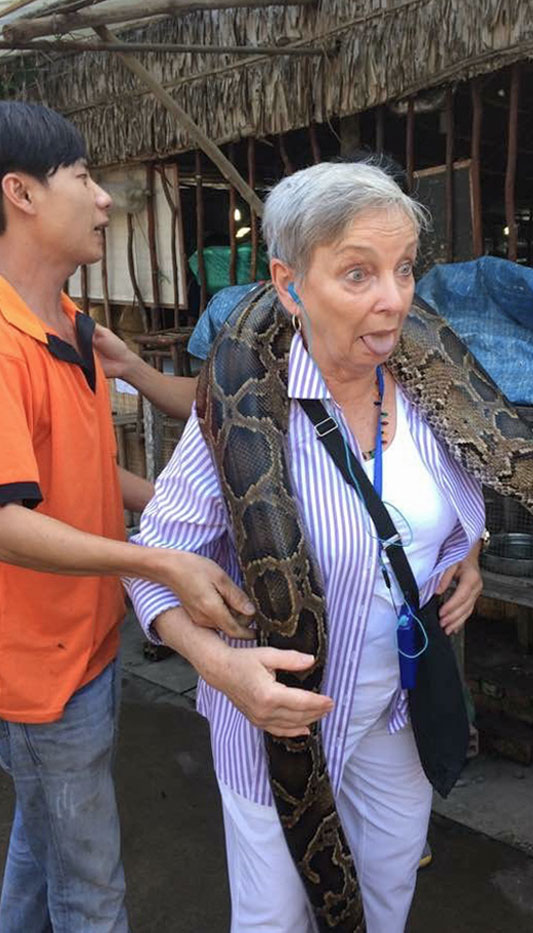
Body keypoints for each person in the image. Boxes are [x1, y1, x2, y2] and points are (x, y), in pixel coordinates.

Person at [126, 160, 485, 932]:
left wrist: (470, 555)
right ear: (290, 286)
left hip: (400, 712)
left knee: (387, 897)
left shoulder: (427, 393)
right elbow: (154, 568)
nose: (393, 299)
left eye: (403, 269)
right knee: (274, 921)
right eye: (358, 273)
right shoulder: (242, 407)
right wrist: (222, 667)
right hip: (279, 724)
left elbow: (446, 512)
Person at [0, 101, 253, 933]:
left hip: (92, 639)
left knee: (45, 852)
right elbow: (6, 519)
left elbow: (78, 474)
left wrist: (184, 509)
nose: (105, 198)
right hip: (41, 668)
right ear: (22, 194)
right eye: (81, 176)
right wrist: (158, 561)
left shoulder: (71, 327)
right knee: (92, 892)